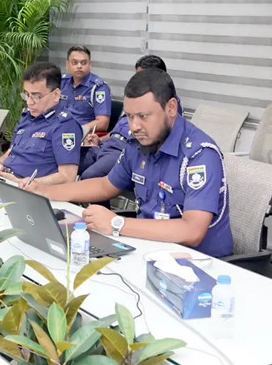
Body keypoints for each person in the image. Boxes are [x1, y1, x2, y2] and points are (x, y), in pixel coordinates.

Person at [25, 68, 232, 258]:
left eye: (143, 116)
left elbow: (192, 231)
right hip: (148, 249)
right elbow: (105, 185)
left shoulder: (199, 155)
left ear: (171, 107)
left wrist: (117, 223)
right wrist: (46, 192)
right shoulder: (138, 144)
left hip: (199, 264)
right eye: (130, 116)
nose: (134, 127)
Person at [79, 55, 182, 180]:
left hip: (124, 150)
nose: (137, 81)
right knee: (67, 162)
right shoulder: (134, 97)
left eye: (142, 77)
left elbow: (159, 140)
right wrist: (99, 140)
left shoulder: (167, 104)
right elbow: (118, 130)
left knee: (89, 177)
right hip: (107, 144)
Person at [0, 62, 83, 186]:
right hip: (5, 181)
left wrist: (25, 183)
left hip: (31, 189)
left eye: (36, 97)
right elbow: (11, 151)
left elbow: (67, 177)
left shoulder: (65, 125)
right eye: (26, 95)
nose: (29, 102)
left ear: (56, 95)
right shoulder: (27, 117)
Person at [60, 46, 111, 132]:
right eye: (75, 62)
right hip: (58, 129)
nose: (79, 66)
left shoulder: (98, 87)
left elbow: (103, 123)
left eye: (83, 63)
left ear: (89, 64)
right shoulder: (61, 82)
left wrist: (78, 130)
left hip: (82, 133)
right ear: (67, 64)